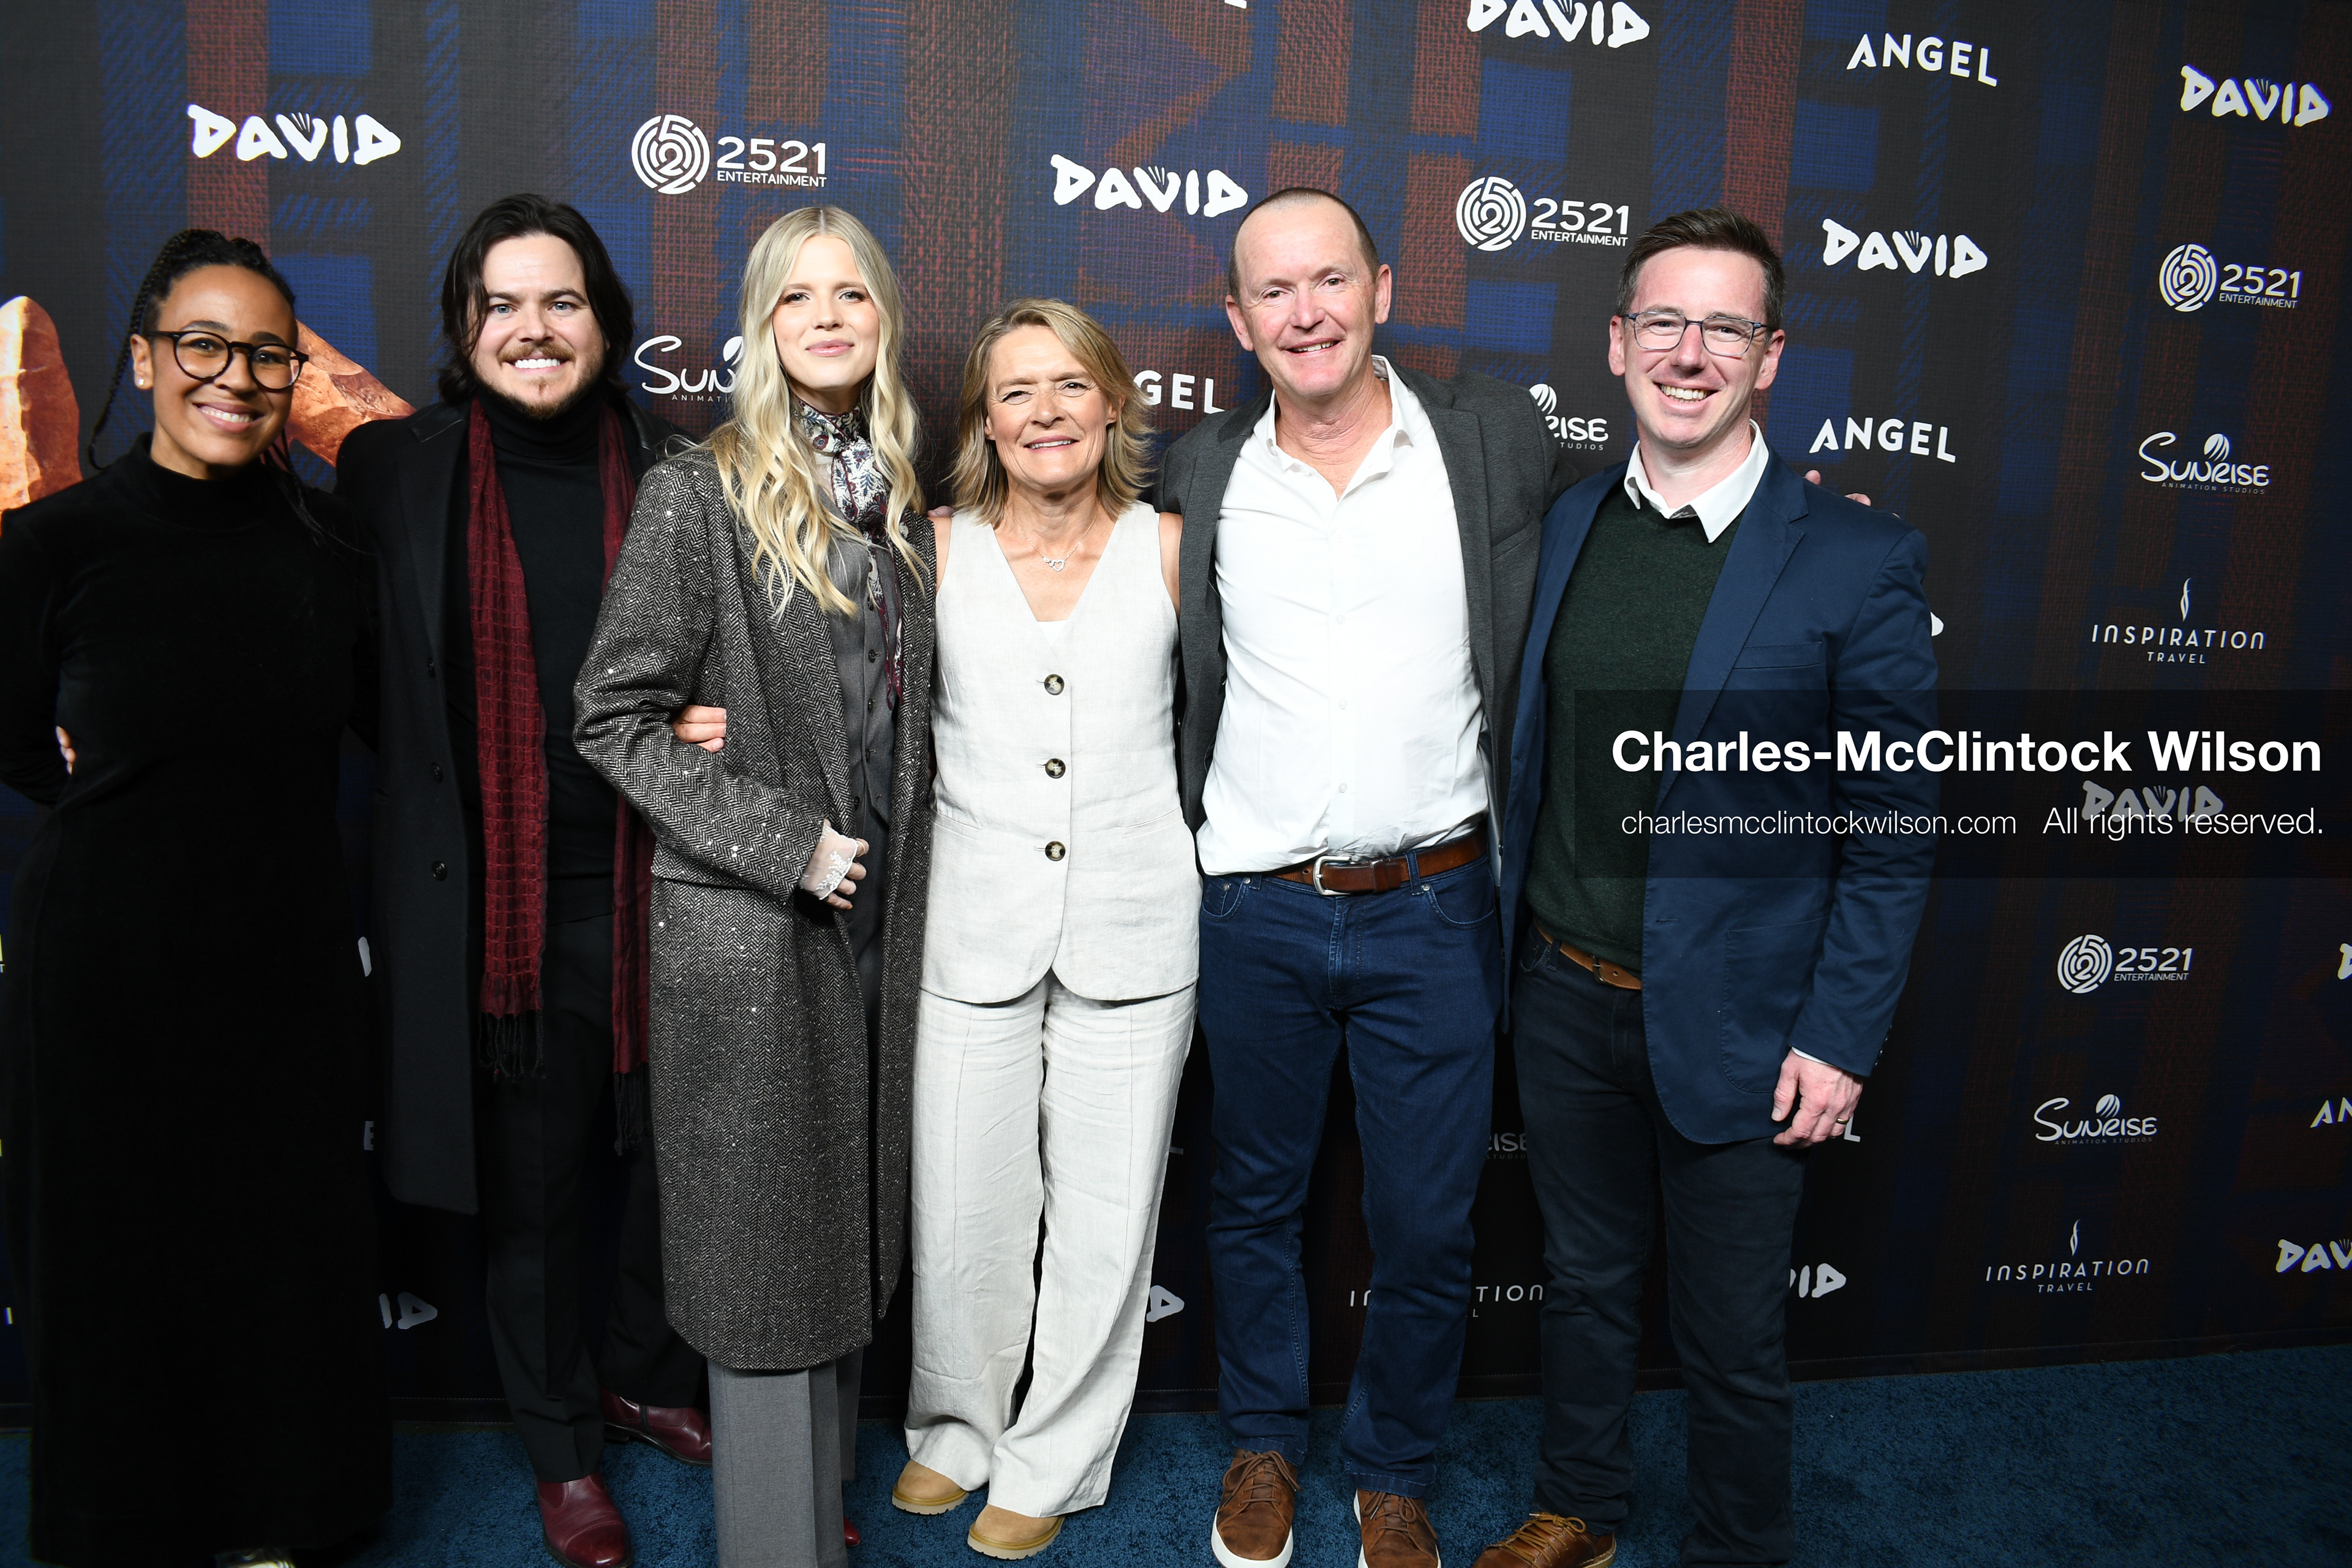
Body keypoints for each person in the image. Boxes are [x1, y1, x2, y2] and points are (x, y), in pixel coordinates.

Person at [1476, 206, 1939, 1568]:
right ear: (1619, 343)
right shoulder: (1567, 526)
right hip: (1562, 991)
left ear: (1770, 356)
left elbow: (1895, 827)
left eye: (1725, 327)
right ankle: (1581, 1507)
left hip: (1750, 1021)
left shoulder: (1857, 558)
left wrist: (1841, 1035)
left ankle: (1741, 1547)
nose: (1691, 352)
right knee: (1584, 1287)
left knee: (1734, 1333)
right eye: (1664, 322)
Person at [1153, 187, 1580, 1568]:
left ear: (1381, 289)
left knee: (1427, 1217)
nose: (1307, 312)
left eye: (1330, 280)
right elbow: (1047, 542)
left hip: (1439, 902)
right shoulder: (1202, 468)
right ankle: (1264, 1442)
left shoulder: (1492, 437)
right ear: (1238, 320)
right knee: (1254, 1196)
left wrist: (1799, 523)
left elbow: (1629, 528)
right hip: (1257, 905)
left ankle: (1393, 1471)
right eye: (1274, 292)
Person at [0, 229, 388, 1566]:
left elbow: (395, 721)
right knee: (113, 1255)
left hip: (284, 950)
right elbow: (12, 739)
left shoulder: (332, 544)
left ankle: (283, 1513)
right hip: (102, 959)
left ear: (296, 370)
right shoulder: (54, 541)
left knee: (284, 1246)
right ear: (148, 358)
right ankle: (123, 1526)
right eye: (203, 345)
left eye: (266, 351)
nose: (235, 374)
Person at [334, 194, 707, 1568]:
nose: (533, 330)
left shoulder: (681, 472)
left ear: (605, 323)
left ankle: (643, 1373)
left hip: (664, 881)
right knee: (536, 1188)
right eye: (503, 305)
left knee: (686, 1166)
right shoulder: (394, 471)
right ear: (464, 327)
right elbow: (363, 676)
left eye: (561, 303)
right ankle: (560, 1449)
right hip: (501, 901)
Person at [575, 204, 935, 1568]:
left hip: (880, 929)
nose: (830, 316)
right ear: (763, 325)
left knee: (838, 1248)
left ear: (882, 320)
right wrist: (787, 842)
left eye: (852, 293)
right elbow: (612, 714)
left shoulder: (891, 490)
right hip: (756, 927)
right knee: (767, 1270)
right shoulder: (702, 489)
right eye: (800, 297)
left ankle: (807, 1537)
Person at [883, 299, 1193, 1559]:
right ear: (985, 421)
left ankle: (1055, 1450)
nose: (1048, 411)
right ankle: (956, 1428)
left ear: (1114, 402)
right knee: (962, 1210)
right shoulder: (933, 549)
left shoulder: (1172, 547)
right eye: (1018, 391)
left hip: (1136, 923)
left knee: (1110, 1219)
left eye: (1073, 385)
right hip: (971, 927)